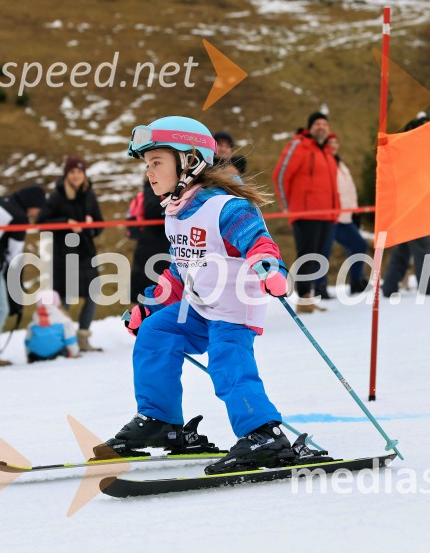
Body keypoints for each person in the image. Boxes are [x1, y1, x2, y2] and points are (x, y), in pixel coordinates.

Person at [93, 116, 329, 474]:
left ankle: (263, 434)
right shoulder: (175, 211)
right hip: (200, 306)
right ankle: (161, 422)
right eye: (147, 165)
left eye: (156, 162)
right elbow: (180, 270)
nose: (150, 173)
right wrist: (149, 306)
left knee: (226, 359)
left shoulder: (225, 206)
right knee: (158, 332)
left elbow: (260, 243)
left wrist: (270, 267)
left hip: (233, 309)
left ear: (188, 160)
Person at [0, 184, 46, 367]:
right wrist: (16, 286)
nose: (37, 213)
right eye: (38, 207)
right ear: (31, 204)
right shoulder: (19, 216)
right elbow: (15, 257)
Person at [273, 112, 339, 311]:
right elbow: (281, 174)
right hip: (305, 212)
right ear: (310, 127)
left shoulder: (327, 151)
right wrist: (286, 205)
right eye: (317, 124)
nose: (321, 127)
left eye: (324, 124)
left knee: (318, 257)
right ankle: (303, 299)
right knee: (307, 256)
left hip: (326, 214)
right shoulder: (299, 145)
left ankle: (308, 296)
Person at [37, 156, 105, 352]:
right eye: (72, 172)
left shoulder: (89, 195)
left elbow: (99, 225)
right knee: (64, 299)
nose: (76, 176)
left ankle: (83, 337)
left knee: (92, 295)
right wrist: (66, 223)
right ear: (66, 175)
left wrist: (91, 227)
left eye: (79, 172)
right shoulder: (56, 196)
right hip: (64, 256)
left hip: (86, 254)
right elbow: (42, 224)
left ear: (84, 175)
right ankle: (60, 340)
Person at [380, 113, 430, 296]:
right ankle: (426, 286)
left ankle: (389, 287)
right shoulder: (411, 147)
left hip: (411, 203)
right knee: (422, 245)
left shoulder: (417, 147)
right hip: (412, 204)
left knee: (404, 249)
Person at [316, 134, 369, 295]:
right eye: (329, 143)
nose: (333, 145)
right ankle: (319, 287)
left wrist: (354, 211)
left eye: (335, 142)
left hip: (345, 216)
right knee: (323, 252)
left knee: (359, 245)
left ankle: (356, 281)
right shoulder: (324, 162)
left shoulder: (340, 162)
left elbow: (348, 189)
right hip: (330, 216)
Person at [128, 178, 170, 302]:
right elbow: (152, 210)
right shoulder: (150, 189)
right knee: (148, 297)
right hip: (150, 248)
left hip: (157, 248)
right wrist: (175, 203)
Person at [25, 290, 80, 362]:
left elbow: (27, 342)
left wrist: (28, 356)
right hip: (57, 354)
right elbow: (70, 340)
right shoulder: (64, 321)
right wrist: (75, 353)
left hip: (36, 356)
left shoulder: (33, 323)